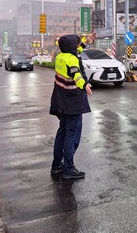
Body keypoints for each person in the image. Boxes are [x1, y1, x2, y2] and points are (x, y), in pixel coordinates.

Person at [49, 32, 96, 180]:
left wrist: (86, 42)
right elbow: (76, 74)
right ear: (71, 47)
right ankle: (68, 168)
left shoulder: (60, 57)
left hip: (59, 101)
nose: (78, 46)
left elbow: (76, 51)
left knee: (62, 132)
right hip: (72, 103)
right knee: (72, 135)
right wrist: (85, 85)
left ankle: (57, 166)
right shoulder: (72, 61)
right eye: (77, 44)